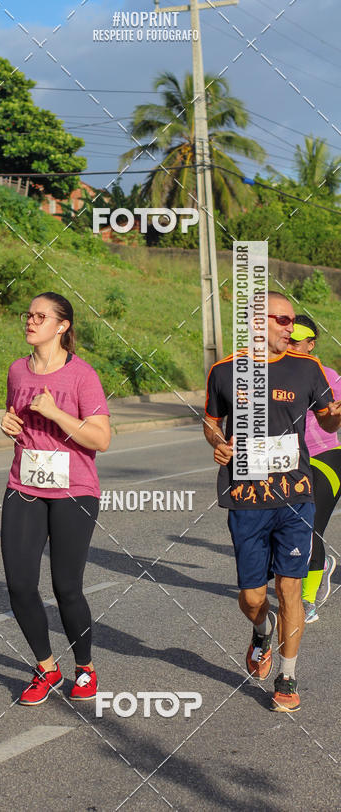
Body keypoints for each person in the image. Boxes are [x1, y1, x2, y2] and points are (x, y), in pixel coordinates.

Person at [203, 292, 341, 712]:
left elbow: (328, 421)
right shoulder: (224, 371)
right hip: (247, 498)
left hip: (296, 495)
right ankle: (261, 631)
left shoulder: (307, 368)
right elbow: (212, 422)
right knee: (252, 597)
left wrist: (337, 412)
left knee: (290, 589)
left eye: (292, 320)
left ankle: (287, 676)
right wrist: (217, 443)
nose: (289, 327)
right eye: (282, 320)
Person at [0, 292, 111, 706]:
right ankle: (46, 666)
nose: (30, 321)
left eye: (40, 316)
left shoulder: (83, 375)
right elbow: (16, 415)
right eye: (28, 314)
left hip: (74, 491)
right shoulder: (17, 370)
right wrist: (8, 423)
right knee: (19, 584)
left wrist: (57, 414)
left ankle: (85, 666)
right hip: (24, 486)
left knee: (66, 587)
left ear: (62, 326)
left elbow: (101, 438)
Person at [288, 315, 340, 623]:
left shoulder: (328, 374)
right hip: (286, 460)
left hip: (326, 456)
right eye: (287, 339)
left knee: (309, 527)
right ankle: (318, 567)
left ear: (311, 344)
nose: (291, 346)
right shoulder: (270, 373)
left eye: (298, 341)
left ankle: (306, 601)